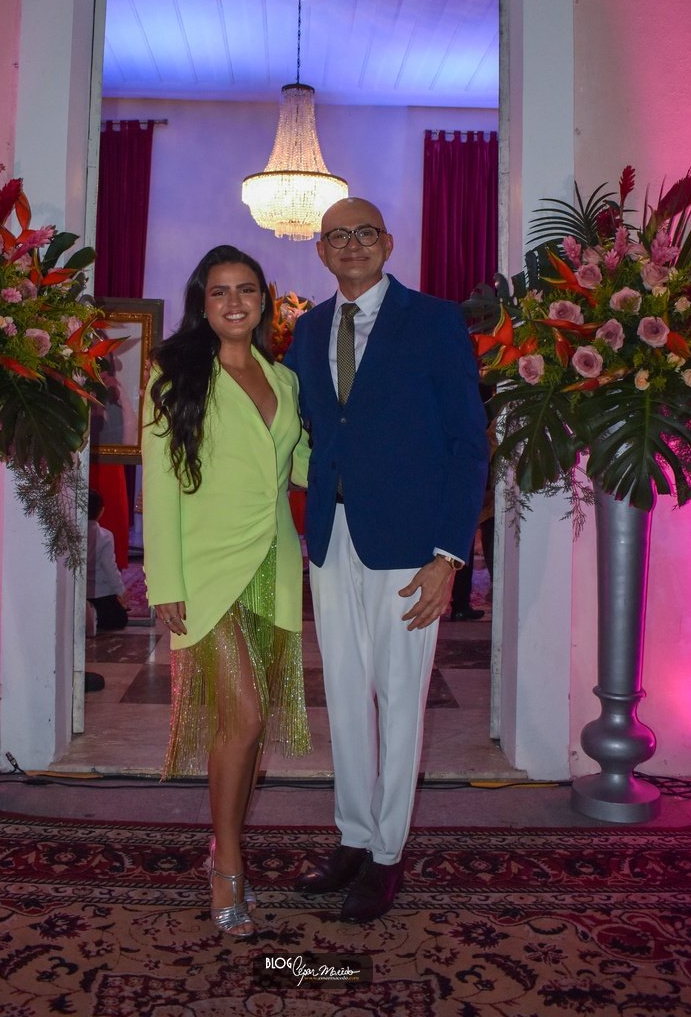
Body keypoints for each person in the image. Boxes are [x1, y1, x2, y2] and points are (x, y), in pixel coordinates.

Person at [284, 196, 488, 922]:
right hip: (330, 537)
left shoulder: (434, 321)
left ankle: (387, 852)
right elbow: (304, 428)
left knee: (400, 698)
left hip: (410, 546)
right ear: (320, 250)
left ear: (388, 242)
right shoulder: (308, 330)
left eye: (364, 232)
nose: (351, 245)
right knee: (344, 695)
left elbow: (468, 444)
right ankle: (352, 835)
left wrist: (448, 555)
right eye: (336, 236)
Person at [141, 245, 310, 939]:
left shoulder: (284, 379)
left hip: (274, 563)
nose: (234, 302)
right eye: (220, 291)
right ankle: (228, 865)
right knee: (242, 713)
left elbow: (299, 465)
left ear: (264, 301)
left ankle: (223, 842)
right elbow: (159, 482)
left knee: (249, 723)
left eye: (246, 290)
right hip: (206, 569)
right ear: (202, 303)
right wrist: (164, 580)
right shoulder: (174, 374)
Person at [86, 489, 130, 632]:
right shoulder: (105, 536)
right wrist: (121, 591)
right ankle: (94, 617)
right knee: (119, 619)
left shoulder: (73, 535)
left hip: (80, 594)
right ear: (101, 511)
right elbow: (109, 567)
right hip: (101, 594)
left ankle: (88, 616)